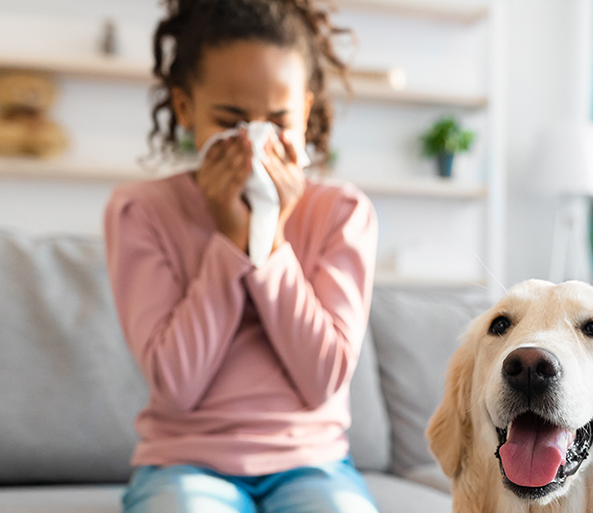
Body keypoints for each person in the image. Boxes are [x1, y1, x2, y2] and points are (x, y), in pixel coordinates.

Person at [102, 0, 378, 511]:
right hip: (184, 463)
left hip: (311, 462)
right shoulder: (141, 212)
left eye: (278, 121)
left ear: (306, 112)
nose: (255, 143)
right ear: (185, 108)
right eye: (230, 120)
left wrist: (269, 239)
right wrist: (230, 240)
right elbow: (176, 386)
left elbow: (322, 380)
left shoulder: (342, 213)